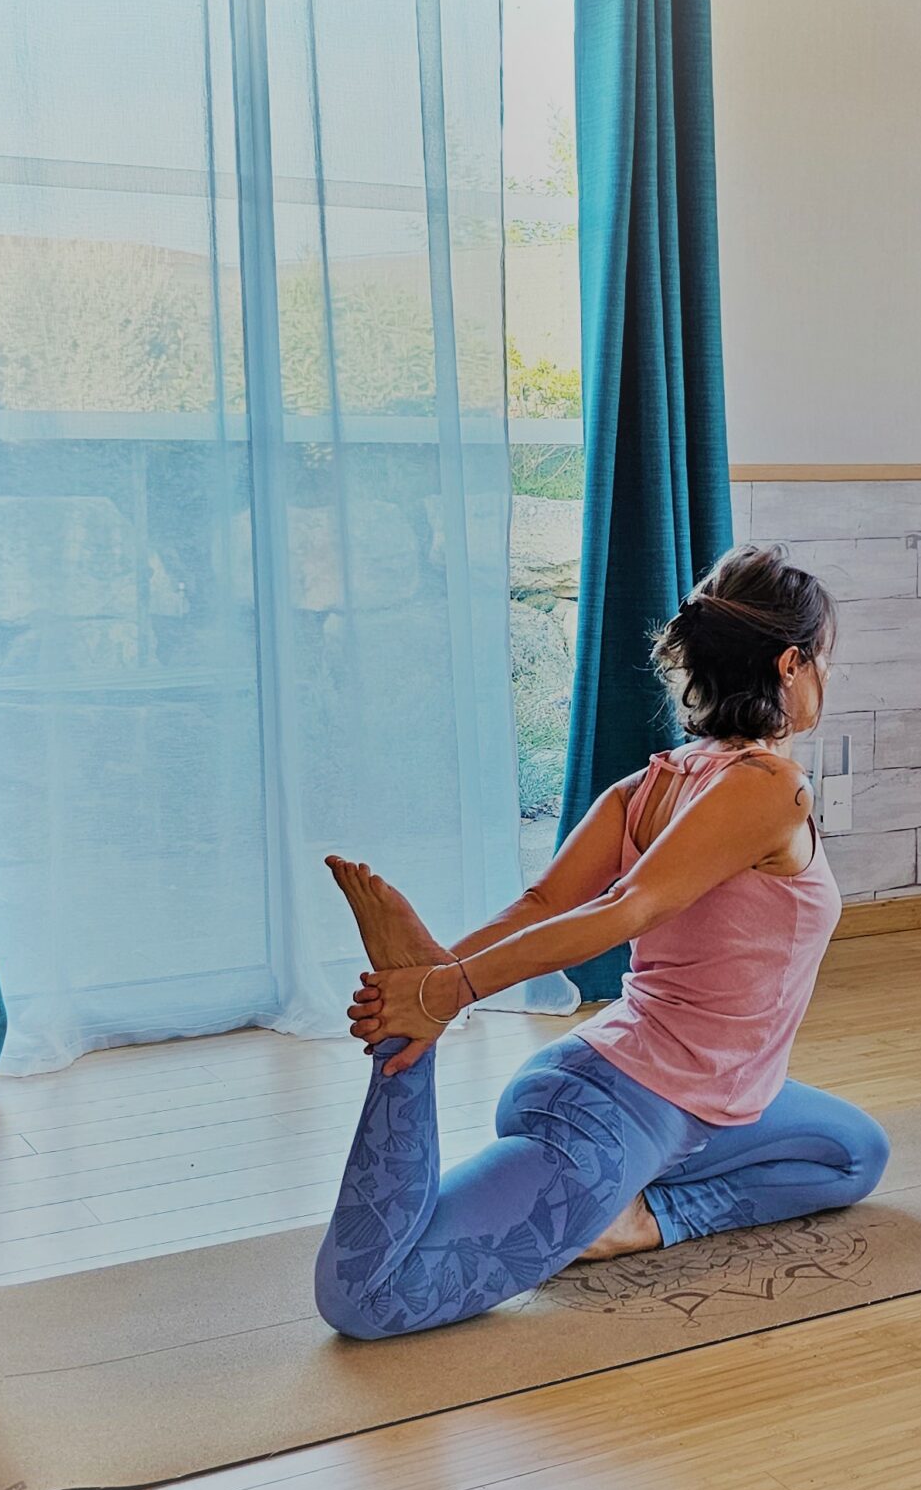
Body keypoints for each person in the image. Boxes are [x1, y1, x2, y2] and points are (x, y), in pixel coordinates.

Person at [314, 544, 890, 1339]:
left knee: (854, 1154)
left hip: (707, 1101)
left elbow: (541, 902)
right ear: (790, 665)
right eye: (825, 659)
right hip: (610, 1115)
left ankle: (639, 1219)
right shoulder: (771, 788)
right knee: (373, 1297)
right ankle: (407, 1063)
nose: (828, 675)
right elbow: (626, 907)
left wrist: (443, 969)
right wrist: (442, 992)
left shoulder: (650, 784)